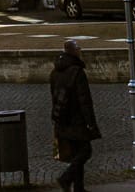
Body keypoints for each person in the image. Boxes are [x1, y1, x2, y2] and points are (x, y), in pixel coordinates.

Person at [50, 39, 101, 192]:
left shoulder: (55, 72)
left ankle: (79, 188)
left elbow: (53, 95)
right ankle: (66, 178)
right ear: (72, 51)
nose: (80, 49)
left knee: (77, 153)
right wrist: (91, 123)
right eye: (78, 47)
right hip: (76, 119)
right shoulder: (77, 72)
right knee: (85, 151)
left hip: (61, 117)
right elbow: (84, 100)